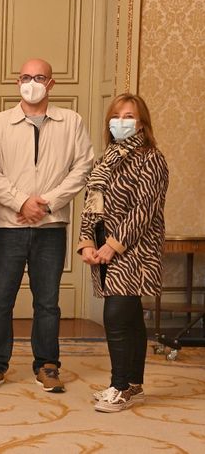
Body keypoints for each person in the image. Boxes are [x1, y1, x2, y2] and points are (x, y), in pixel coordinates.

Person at [0, 58, 94, 393]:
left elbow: (82, 167)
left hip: (52, 227)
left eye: (40, 77)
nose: (32, 82)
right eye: (26, 77)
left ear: (51, 83)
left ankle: (47, 365)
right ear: (18, 82)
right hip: (8, 226)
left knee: (47, 301)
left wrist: (47, 203)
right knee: (0, 300)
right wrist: (21, 202)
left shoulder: (71, 122)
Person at [78, 94, 168, 413]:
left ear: (141, 122)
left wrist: (112, 245)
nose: (121, 121)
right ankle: (133, 384)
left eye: (129, 116)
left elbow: (144, 210)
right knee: (129, 317)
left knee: (116, 316)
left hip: (134, 250)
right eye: (116, 116)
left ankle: (119, 386)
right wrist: (87, 241)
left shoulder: (151, 158)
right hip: (103, 248)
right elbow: (92, 204)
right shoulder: (105, 159)